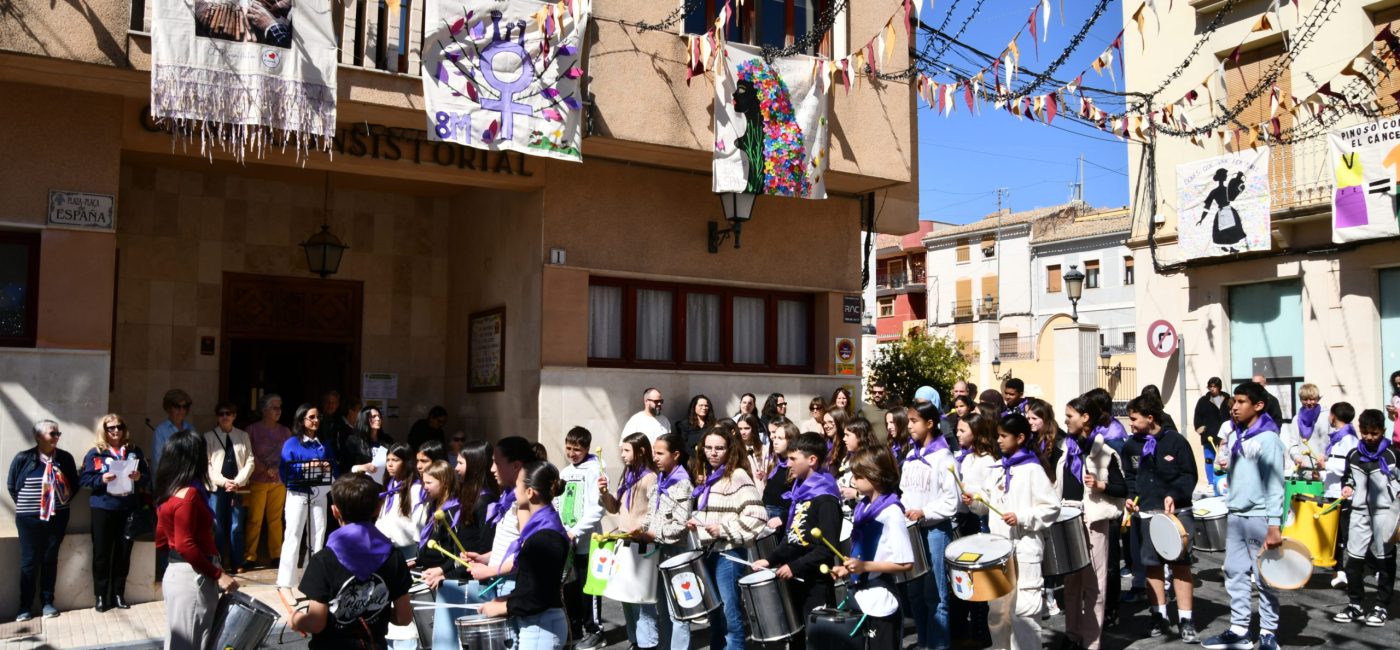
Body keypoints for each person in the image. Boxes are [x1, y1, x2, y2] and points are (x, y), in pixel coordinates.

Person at [962, 414, 1059, 650]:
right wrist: (974, 502)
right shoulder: (997, 468)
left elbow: (1051, 508)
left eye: (1004, 436)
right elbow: (985, 504)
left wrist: (1022, 518)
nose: (999, 440)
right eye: (998, 436)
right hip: (998, 552)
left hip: (1024, 550)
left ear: (1021, 437)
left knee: (1024, 612)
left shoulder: (1032, 470)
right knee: (997, 612)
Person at [1201, 382, 1286, 650]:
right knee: (1234, 572)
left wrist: (1274, 525)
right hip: (1236, 514)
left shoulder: (1268, 439)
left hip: (1260, 517)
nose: (1234, 407)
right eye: (1233, 403)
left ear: (1258, 405)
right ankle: (1239, 630)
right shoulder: (1240, 435)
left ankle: (1268, 633)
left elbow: (1275, 485)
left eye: (1240, 402)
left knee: (1264, 577)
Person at [291, 473, 413, 649]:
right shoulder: (393, 556)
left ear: (335, 511)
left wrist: (295, 619)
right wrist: (380, 613)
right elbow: (404, 618)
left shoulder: (323, 560)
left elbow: (316, 623)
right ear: (377, 509)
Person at [752, 431, 840, 650]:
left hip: (816, 583)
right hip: (796, 578)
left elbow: (828, 549)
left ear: (812, 460)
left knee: (817, 641)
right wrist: (770, 560)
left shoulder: (826, 498)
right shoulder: (801, 492)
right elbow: (793, 538)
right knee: (796, 638)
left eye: (793, 459)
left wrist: (794, 566)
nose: (788, 464)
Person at [1123, 393, 1198, 642]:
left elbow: (1189, 475)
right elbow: (1131, 478)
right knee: (1152, 566)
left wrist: (1175, 495)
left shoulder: (1176, 441)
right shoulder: (1131, 446)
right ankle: (1159, 616)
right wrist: (1131, 498)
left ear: (1150, 417)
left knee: (1180, 565)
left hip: (1176, 515)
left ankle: (1186, 619)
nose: (1130, 424)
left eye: (1134, 418)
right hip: (1146, 515)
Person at [156, 430, 239, 650]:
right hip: (193, 578)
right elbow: (185, 544)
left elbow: (161, 540)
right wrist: (217, 574)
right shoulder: (190, 495)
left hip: (177, 574)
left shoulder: (169, 492)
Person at [687, 426, 768, 650]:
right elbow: (715, 511)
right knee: (716, 615)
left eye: (719, 448)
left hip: (729, 554)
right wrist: (697, 521)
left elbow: (758, 516)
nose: (713, 452)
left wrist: (723, 529)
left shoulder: (738, 475)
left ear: (730, 450)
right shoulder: (710, 476)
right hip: (710, 552)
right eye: (709, 447)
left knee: (729, 615)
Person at [477, 461, 571, 649]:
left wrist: (503, 607)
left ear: (530, 492)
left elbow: (539, 595)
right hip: (536, 623)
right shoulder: (539, 529)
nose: (514, 490)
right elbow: (530, 584)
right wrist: (505, 600)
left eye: (518, 485)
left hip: (542, 626)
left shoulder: (546, 536)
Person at [1060, 397, 1127, 650]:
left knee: (1094, 586)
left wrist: (1101, 486)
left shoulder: (1105, 452)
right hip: (1069, 520)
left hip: (1093, 522)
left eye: (1070, 416)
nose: (1066, 421)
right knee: (1071, 585)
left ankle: (1092, 641)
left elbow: (1122, 488)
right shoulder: (1067, 449)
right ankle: (1072, 635)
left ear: (1085, 418)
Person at [829, 447, 913, 650]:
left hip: (881, 601)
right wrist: (847, 569)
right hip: (861, 598)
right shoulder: (863, 507)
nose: (853, 480)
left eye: (858, 475)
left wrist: (864, 566)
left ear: (874, 476)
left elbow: (906, 563)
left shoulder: (891, 512)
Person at [899, 400, 958, 650]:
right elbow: (904, 491)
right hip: (912, 531)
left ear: (930, 423)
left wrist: (924, 511)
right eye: (908, 421)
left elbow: (951, 500)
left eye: (914, 421)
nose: (909, 426)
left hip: (934, 530)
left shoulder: (944, 456)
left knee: (936, 595)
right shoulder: (911, 455)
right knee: (915, 593)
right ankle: (924, 642)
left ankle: (939, 644)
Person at [1332, 409, 1397, 627]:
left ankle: (1381, 606)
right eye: (1365, 433)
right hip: (1358, 513)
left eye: (1374, 433)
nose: (1369, 437)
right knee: (1353, 562)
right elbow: (1347, 478)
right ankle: (1356, 605)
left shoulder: (1393, 455)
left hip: (1384, 514)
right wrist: (1348, 487)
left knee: (1385, 561)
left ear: (1383, 431)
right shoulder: (1354, 455)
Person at [80, 413, 150, 612]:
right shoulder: (96, 453)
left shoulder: (134, 451)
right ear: (104, 431)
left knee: (123, 553)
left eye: (119, 426)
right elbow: (84, 480)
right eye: (111, 428)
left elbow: (147, 478)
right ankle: (101, 596)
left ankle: (118, 594)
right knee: (102, 554)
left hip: (128, 508)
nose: (116, 431)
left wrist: (139, 477)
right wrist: (101, 479)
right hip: (103, 507)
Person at [9, 419, 77, 621]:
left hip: (57, 516)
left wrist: (58, 503)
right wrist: (30, 506)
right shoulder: (24, 458)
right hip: (29, 518)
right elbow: (12, 485)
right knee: (29, 561)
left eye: (58, 434)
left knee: (50, 557)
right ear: (38, 436)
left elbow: (74, 484)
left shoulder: (64, 458)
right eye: (52, 434)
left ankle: (47, 602)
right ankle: (25, 606)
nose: (57, 437)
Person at [599, 433, 659, 650]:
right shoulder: (628, 475)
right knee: (626, 597)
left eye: (626, 450)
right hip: (623, 542)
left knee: (641, 597)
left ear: (640, 451)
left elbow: (654, 512)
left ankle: (648, 642)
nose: (622, 455)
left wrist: (642, 530)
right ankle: (635, 639)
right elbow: (614, 508)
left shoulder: (650, 477)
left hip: (641, 543)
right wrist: (604, 493)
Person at [464, 437, 538, 599]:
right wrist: (485, 558)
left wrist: (489, 571)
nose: (491, 469)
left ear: (516, 466)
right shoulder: (509, 497)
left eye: (496, 463)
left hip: (512, 583)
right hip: (502, 581)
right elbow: (512, 544)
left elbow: (527, 555)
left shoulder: (526, 503)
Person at [948, 412, 996, 647]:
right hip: (965, 521)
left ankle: (981, 629)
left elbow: (988, 497)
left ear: (976, 433)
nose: (957, 434)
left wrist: (973, 498)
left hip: (979, 524)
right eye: (957, 429)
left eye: (962, 430)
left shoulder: (987, 460)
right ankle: (963, 627)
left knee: (978, 577)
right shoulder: (965, 458)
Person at [277, 403, 335, 589]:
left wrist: (328, 467)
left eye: (318, 417)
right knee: (293, 534)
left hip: (320, 494)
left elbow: (334, 465)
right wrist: (305, 467)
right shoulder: (292, 443)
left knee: (318, 536)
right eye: (311, 417)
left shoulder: (323, 444)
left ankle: (312, 580)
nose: (316, 420)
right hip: (297, 494)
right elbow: (284, 469)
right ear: (302, 420)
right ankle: (286, 582)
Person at [556, 427, 605, 650]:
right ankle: (575, 628)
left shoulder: (595, 470)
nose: (572, 453)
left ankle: (595, 630)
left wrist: (577, 531)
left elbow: (598, 508)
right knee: (570, 588)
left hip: (588, 541)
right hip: (567, 540)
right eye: (568, 448)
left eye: (577, 449)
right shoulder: (565, 472)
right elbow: (558, 502)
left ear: (586, 448)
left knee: (590, 588)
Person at [645, 433, 694, 650]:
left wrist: (654, 533)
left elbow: (681, 524)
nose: (655, 457)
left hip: (676, 553)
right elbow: (651, 514)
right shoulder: (660, 478)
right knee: (661, 609)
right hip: (658, 551)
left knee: (679, 611)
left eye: (660, 453)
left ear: (675, 455)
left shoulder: (682, 483)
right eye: (654, 452)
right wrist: (641, 530)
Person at [413, 461, 468, 650]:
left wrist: (442, 571)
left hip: (445, 582)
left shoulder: (452, 511)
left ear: (443, 482)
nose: (424, 487)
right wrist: (417, 561)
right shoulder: (435, 506)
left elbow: (457, 552)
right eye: (423, 482)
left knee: (444, 640)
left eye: (429, 483)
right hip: (429, 576)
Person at [202, 401, 254, 576]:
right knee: (217, 526)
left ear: (234, 416)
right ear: (217, 417)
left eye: (228, 413)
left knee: (237, 526)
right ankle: (218, 562)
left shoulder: (243, 436)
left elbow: (250, 461)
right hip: (217, 488)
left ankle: (236, 561)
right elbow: (206, 465)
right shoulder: (208, 437)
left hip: (237, 488)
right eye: (221, 414)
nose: (225, 417)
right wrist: (223, 482)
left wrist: (238, 481)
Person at [244, 393, 291, 569]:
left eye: (280, 407)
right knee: (254, 519)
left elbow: (288, 453)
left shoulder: (285, 431)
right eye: (274, 407)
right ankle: (250, 556)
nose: (278, 411)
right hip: (258, 479)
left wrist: (277, 468)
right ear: (264, 410)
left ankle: (276, 555)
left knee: (276, 519)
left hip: (278, 481)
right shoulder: (252, 430)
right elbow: (249, 453)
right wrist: (265, 468)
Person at [1321, 402, 1360, 588]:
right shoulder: (1338, 439)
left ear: (1334, 416)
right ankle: (1340, 570)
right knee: (1336, 535)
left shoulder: (1348, 440)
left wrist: (1325, 465)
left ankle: (1374, 567)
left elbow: (1346, 467)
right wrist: (1321, 473)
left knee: (1346, 535)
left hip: (1341, 494)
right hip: (1332, 491)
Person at [375, 443, 426, 558]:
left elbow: (419, 522)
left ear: (406, 462)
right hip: (384, 546)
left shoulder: (416, 489)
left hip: (405, 549)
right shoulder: (389, 486)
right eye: (388, 460)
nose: (390, 464)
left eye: (395, 460)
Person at [341, 406, 392, 484]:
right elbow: (345, 467)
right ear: (364, 419)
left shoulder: (387, 440)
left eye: (379, 416)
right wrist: (362, 467)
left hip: (383, 485)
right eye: (373, 417)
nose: (378, 419)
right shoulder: (353, 441)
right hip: (361, 485)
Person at [1282, 383, 1327, 468]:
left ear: (1317, 399)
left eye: (1312, 399)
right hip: (1303, 470)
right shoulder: (1296, 419)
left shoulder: (1326, 416)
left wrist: (1324, 456)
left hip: (1324, 470)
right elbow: (1293, 443)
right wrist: (1296, 457)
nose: (1309, 402)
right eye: (1305, 399)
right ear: (1300, 400)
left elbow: (1332, 442)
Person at [838, 418, 881, 502]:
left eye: (847, 435)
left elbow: (878, 491)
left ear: (860, 436)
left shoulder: (870, 460)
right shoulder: (846, 458)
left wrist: (856, 494)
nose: (844, 439)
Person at [762, 420, 796, 523]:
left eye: (780, 438)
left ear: (790, 440)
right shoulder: (776, 463)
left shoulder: (794, 468)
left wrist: (782, 518)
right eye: (775, 437)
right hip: (766, 511)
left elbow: (796, 499)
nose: (775, 442)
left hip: (781, 516)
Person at [151, 388, 193, 470]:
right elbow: (158, 462)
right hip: (168, 480)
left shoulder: (191, 429)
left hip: (188, 479)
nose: (181, 410)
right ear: (168, 408)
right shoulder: (160, 432)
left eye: (184, 407)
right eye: (177, 406)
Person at [676, 395, 716, 465]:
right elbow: (684, 444)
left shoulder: (714, 424)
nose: (704, 408)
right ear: (694, 407)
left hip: (709, 459)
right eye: (701, 405)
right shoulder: (685, 424)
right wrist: (697, 455)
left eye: (706, 406)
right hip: (691, 460)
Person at [1194, 377, 1231, 450]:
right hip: (1209, 436)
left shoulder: (1228, 400)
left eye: (1214, 386)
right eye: (1210, 386)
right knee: (1209, 460)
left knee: (1224, 459)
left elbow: (1233, 414)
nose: (1212, 389)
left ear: (1219, 387)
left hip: (1225, 435)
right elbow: (1197, 415)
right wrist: (1199, 428)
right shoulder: (1203, 400)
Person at [318, 390, 351, 463]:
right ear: (322, 403)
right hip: (319, 459)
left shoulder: (341, 421)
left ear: (337, 404)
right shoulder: (316, 420)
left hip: (336, 461)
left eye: (333, 403)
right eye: (327, 402)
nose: (330, 405)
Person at [737, 414, 767, 478]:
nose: (743, 432)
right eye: (740, 429)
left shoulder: (764, 449)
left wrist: (764, 475)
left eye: (746, 428)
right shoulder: (735, 449)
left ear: (754, 429)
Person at [1388, 371, 1400, 443]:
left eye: (1399, 383)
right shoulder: (1395, 398)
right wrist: (1390, 412)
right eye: (1396, 384)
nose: (1398, 386)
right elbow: (1393, 419)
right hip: (1397, 437)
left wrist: (1397, 411)